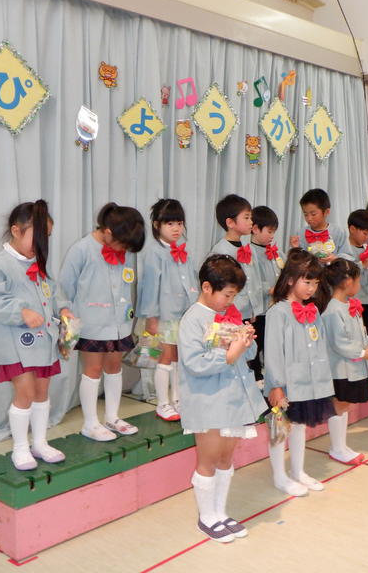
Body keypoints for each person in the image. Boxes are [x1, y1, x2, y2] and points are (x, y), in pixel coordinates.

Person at [178, 255, 268, 543]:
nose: (230, 301)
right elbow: (194, 362)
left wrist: (247, 342)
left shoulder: (230, 313)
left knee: (226, 458)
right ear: (207, 287)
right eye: (227, 295)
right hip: (208, 401)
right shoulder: (193, 318)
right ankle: (206, 517)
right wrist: (229, 354)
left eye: (234, 295)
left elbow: (245, 356)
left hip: (233, 398)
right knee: (208, 459)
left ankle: (220, 512)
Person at [0, 200, 73, 470]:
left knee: (42, 391)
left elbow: (52, 292)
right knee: (26, 392)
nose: (42, 243)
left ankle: (40, 443)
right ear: (16, 230)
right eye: (38, 235)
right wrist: (21, 312)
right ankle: (20, 448)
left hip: (43, 341)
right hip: (14, 344)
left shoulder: (39, 264)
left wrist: (63, 309)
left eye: (48, 236)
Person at [60, 203, 146, 441]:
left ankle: (112, 417)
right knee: (93, 370)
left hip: (119, 323)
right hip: (92, 324)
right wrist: (66, 314)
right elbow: (64, 288)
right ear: (108, 232)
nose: (125, 250)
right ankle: (90, 423)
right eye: (123, 244)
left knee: (114, 367)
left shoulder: (124, 250)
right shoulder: (82, 249)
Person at [265, 249, 336, 496]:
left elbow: (319, 345)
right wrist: (276, 385)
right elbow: (273, 352)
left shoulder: (313, 311)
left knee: (299, 426)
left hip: (307, 382)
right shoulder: (277, 312)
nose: (312, 288)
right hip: (286, 383)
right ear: (290, 279)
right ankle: (279, 475)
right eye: (307, 282)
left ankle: (298, 471)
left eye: (315, 283)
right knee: (280, 428)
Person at [136, 199, 199, 421]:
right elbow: (149, 287)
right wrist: (151, 318)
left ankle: (178, 399)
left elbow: (192, 284)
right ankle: (163, 403)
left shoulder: (184, 252)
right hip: (163, 316)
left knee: (179, 359)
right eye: (169, 223)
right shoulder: (154, 253)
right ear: (157, 225)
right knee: (164, 358)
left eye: (179, 223)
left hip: (183, 315)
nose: (176, 229)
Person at [322, 259, 368, 465]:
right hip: (341, 370)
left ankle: (341, 445)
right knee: (339, 405)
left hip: (353, 366)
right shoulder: (333, 310)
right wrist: (364, 352)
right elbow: (340, 344)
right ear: (348, 282)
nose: (360, 284)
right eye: (358, 280)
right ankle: (336, 447)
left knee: (345, 405)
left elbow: (358, 335)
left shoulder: (349, 305)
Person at [210, 194, 263, 322]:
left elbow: (255, 280)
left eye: (251, 218)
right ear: (230, 222)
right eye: (246, 218)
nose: (251, 222)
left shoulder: (249, 248)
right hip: (230, 314)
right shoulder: (220, 251)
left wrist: (255, 309)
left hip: (248, 313)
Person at [248, 205, 283, 382]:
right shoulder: (248, 252)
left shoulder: (276, 251)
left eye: (273, 232)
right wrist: (268, 289)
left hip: (274, 309)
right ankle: (255, 376)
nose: (272, 236)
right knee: (256, 344)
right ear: (255, 229)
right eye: (269, 231)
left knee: (272, 344)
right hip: (258, 310)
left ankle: (270, 375)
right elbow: (249, 282)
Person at [289, 188, 351, 263]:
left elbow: (349, 257)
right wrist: (295, 248)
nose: (309, 218)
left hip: (333, 270)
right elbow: (295, 261)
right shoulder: (300, 233)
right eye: (305, 214)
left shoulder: (338, 232)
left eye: (313, 214)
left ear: (326, 212)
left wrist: (335, 258)